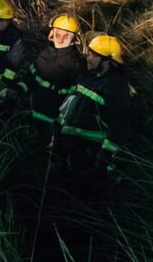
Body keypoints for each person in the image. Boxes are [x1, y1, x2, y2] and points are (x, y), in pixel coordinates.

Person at [54, 34, 134, 197]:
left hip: (91, 154)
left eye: (92, 55)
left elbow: (119, 128)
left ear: (107, 61)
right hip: (72, 146)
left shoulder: (116, 88)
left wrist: (104, 157)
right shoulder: (87, 77)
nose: (88, 58)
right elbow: (71, 105)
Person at [21, 14, 85, 146]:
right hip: (36, 112)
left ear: (75, 39)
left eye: (65, 36)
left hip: (56, 121)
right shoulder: (45, 54)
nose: (60, 39)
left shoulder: (77, 64)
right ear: (52, 34)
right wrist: (18, 89)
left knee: (50, 151)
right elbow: (31, 76)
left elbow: (73, 99)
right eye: (57, 35)